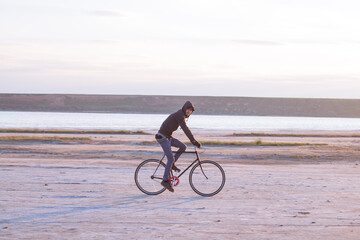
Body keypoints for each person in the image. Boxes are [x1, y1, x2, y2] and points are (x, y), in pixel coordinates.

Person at [155, 101, 201, 192]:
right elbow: (185, 129)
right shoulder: (180, 115)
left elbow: (185, 128)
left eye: (191, 110)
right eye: (188, 109)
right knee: (170, 158)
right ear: (184, 108)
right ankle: (165, 180)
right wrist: (194, 141)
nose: (189, 111)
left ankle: (172, 165)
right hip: (162, 137)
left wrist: (193, 141)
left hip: (168, 137)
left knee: (183, 147)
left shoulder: (182, 115)